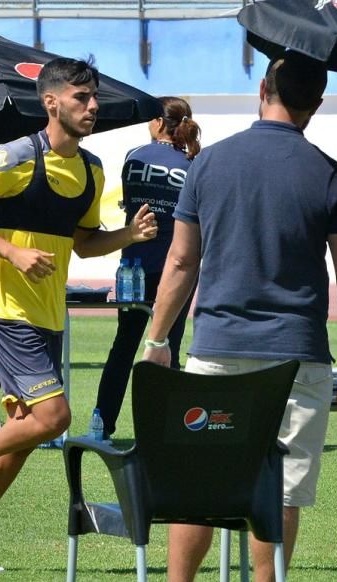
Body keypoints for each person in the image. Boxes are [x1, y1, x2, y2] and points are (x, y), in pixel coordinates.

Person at [140, 51, 337, 582]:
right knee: (282, 486)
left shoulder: (210, 162)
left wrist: (158, 339)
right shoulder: (330, 173)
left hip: (216, 347)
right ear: (316, 104)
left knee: (198, 477)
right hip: (297, 354)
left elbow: (181, 262)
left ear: (263, 87)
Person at [0, 56, 157, 574]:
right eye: (82, 98)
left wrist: (128, 235)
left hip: (49, 316)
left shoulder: (91, 169)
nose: (94, 106)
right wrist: (10, 253)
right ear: (51, 102)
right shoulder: (15, 156)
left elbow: (82, 242)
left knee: (25, 433)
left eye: (95, 97)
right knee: (54, 418)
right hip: (6, 308)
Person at [95, 97, 201, 439]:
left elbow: (131, 203)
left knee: (124, 346)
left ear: (157, 122)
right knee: (169, 345)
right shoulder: (193, 163)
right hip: (176, 270)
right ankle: (167, 429)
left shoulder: (134, 156)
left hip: (134, 267)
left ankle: (101, 423)